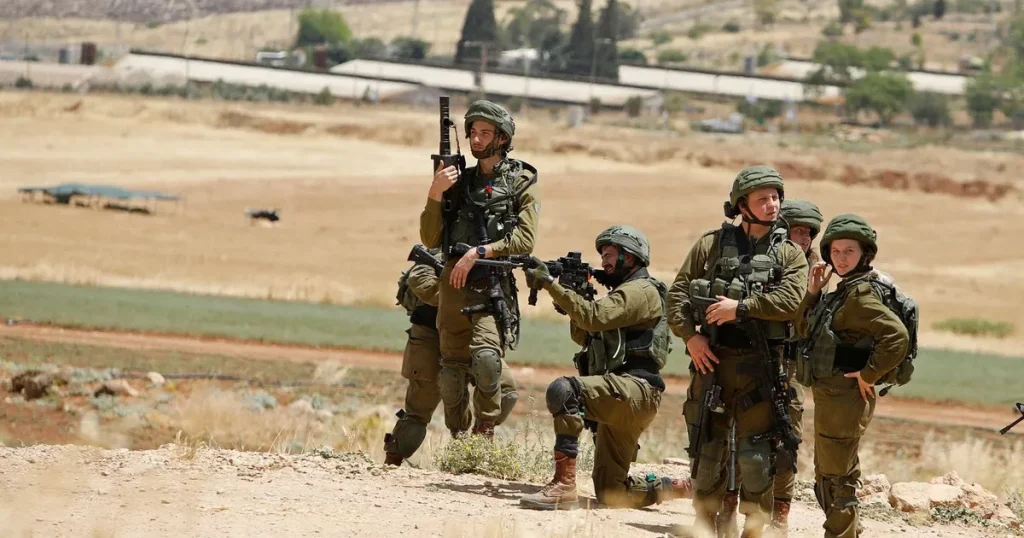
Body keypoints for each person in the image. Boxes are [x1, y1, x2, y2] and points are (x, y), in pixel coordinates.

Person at [666, 165, 808, 537]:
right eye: (763, 199)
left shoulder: (790, 254)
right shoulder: (711, 245)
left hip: (761, 368)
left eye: (775, 197)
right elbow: (677, 295)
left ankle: (755, 528)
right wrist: (691, 337)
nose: (772, 204)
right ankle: (704, 524)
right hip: (712, 361)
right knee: (708, 451)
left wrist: (741, 308)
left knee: (756, 456)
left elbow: (791, 301)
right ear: (741, 205)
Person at [517, 226, 692, 510]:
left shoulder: (641, 291)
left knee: (564, 391)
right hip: (623, 394)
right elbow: (585, 335)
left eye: (610, 255)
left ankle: (563, 486)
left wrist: (551, 284)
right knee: (612, 492)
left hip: (634, 391)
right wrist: (575, 300)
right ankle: (678, 487)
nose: (604, 262)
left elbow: (594, 317)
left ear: (630, 257)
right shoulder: (623, 293)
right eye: (603, 256)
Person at [419, 99, 540, 438]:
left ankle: (484, 434)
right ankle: (460, 442)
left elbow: (525, 240)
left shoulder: (520, 181)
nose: (475, 139)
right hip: (453, 287)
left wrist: (479, 252)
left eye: (485, 133)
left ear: (502, 138)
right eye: (472, 132)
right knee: (451, 375)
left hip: (490, 285)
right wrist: (435, 193)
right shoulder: (459, 181)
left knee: (487, 360)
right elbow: (430, 238)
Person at [795, 214, 909, 538]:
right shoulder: (845, 290)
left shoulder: (860, 295)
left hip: (845, 398)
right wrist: (813, 292)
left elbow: (897, 337)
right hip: (835, 398)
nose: (841, 258)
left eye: (849, 251)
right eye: (836, 251)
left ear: (865, 254)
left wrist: (869, 374)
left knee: (835, 479)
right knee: (834, 472)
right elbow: (803, 328)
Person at [384, 246, 520, 466]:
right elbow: (421, 281)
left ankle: (474, 444)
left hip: (471, 336)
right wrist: (457, 292)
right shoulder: (440, 250)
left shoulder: (489, 255)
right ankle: (391, 465)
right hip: (430, 335)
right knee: (418, 412)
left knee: (506, 392)